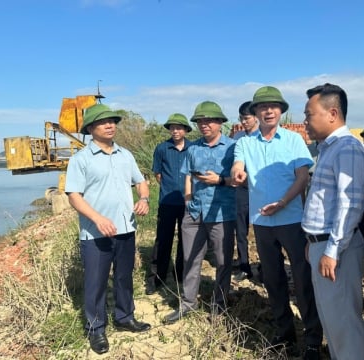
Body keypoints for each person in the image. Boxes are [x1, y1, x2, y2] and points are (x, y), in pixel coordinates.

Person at [231, 86, 323, 359]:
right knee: (273, 279)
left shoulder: (294, 140)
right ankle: (284, 333)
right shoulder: (245, 143)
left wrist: (283, 203)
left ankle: (312, 340)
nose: (268, 111)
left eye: (273, 106)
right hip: (261, 221)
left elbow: (302, 176)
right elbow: (238, 167)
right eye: (262, 107)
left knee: (303, 280)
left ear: (281, 111)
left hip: (291, 219)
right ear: (255, 113)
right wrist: (238, 174)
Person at [65, 103, 151, 355]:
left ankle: (125, 317)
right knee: (96, 282)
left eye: (112, 121)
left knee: (124, 277)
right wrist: (98, 218)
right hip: (96, 233)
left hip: (126, 228)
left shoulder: (126, 155)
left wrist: (144, 199)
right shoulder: (80, 159)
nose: (110, 125)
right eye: (103, 122)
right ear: (91, 128)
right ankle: (96, 329)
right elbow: (74, 195)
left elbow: (141, 182)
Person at [302, 83, 364, 360]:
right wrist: (313, 243)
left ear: (332, 113)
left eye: (309, 114)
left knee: (344, 324)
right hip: (323, 245)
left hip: (336, 250)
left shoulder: (347, 149)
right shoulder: (328, 148)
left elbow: (350, 204)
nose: (305, 121)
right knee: (333, 322)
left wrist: (331, 250)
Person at [164, 101, 236, 324]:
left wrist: (221, 180)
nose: (204, 125)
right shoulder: (193, 148)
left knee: (223, 261)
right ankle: (188, 302)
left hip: (222, 213)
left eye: (209, 121)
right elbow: (188, 175)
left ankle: (219, 305)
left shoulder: (234, 148)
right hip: (194, 212)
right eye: (200, 121)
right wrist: (187, 200)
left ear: (220, 123)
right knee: (190, 259)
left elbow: (242, 181)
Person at [146, 113, 193, 294]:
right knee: (163, 240)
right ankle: (157, 279)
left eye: (179, 127)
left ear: (186, 130)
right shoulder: (162, 148)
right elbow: (158, 174)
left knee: (185, 240)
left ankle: (180, 275)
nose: (175, 131)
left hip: (188, 202)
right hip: (167, 202)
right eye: (172, 128)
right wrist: (169, 187)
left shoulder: (193, 148)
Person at [231, 101, 258, 281]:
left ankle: (265, 267)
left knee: (263, 230)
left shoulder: (263, 137)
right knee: (240, 229)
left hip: (260, 189)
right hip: (241, 189)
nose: (244, 121)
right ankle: (244, 265)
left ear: (256, 117)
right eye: (241, 118)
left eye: (247, 118)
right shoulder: (238, 138)